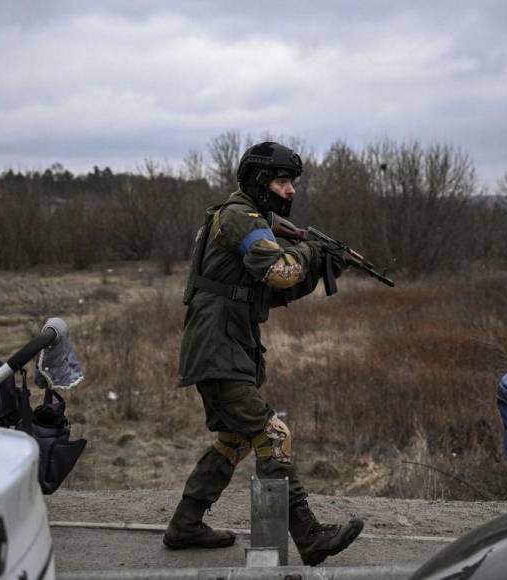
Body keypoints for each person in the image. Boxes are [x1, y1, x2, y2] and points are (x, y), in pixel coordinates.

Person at [163, 141, 364, 566]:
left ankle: (185, 524)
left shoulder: (249, 221)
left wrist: (320, 268)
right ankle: (309, 536)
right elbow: (279, 271)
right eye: (282, 180)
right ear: (258, 181)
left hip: (231, 348)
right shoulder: (239, 217)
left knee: (235, 440)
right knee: (274, 435)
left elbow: (266, 292)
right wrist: (312, 252)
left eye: (292, 182)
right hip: (217, 349)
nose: (290, 190)